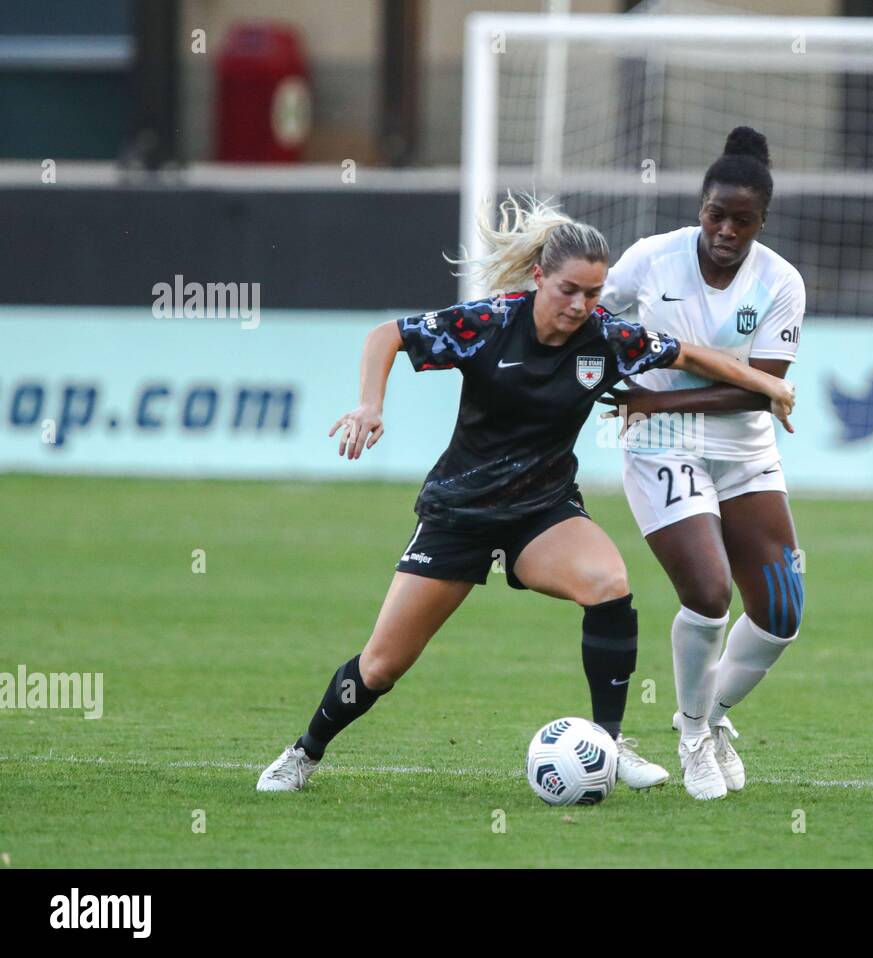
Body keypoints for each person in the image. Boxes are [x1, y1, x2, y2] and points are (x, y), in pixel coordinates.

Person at [256, 192, 796, 794]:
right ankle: (304, 753)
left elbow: (689, 353)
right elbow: (388, 335)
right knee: (382, 665)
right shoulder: (487, 324)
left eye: (593, 293)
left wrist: (767, 386)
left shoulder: (607, 340)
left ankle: (609, 743)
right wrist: (369, 404)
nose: (581, 305)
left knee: (610, 585)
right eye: (569, 290)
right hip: (461, 513)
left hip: (543, 513)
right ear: (540, 276)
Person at [597, 127, 806, 800]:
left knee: (782, 612)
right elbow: (589, 325)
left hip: (743, 450)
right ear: (700, 206)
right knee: (710, 594)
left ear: (761, 221)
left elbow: (759, 388)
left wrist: (654, 401)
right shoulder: (648, 261)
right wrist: (604, 383)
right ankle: (691, 738)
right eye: (717, 214)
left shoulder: (780, 282)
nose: (725, 230)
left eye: (742, 221)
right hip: (662, 448)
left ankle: (713, 718)